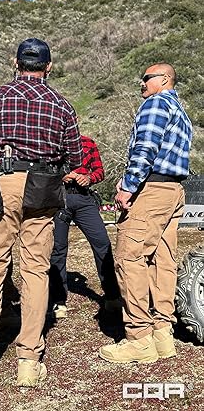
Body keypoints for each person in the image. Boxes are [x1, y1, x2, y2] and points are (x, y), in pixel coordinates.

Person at [0, 38, 83, 387]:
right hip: (43, 186)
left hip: (5, 184)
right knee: (36, 272)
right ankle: (28, 361)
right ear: (48, 66)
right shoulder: (63, 105)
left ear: (16, 62)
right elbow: (77, 157)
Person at [99, 63, 193, 364]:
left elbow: (144, 150)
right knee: (162, 261)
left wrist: (128, 186)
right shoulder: (181, 111)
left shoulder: (155, 105)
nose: (142, 84)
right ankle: (162, 334)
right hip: (173, 192)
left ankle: (139, 338)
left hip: (151, 192)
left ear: (164, 80)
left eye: (146, 78)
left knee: (129, 258)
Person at [49, 135, 121, 319]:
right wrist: (60, 175)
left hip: (83, 198)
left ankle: (112, 296)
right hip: (58, 198)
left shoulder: (89, 143)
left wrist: (88, 178)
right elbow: (43, 170)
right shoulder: (51, 140)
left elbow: (100, 171)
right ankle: (58, 300)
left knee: (102, 242)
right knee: (57, 248)